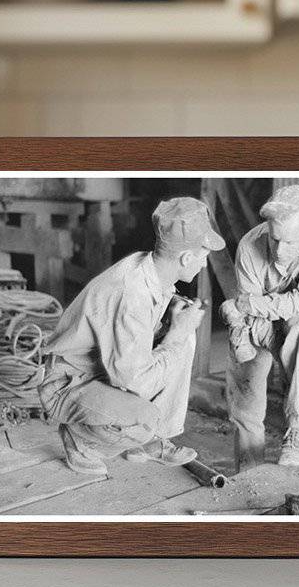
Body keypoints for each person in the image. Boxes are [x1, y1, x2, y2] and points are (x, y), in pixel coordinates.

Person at [39, 197, 225, 475]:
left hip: (100, 370)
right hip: (69, 383)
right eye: (204, 254)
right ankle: (80, 438)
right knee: (144, 419)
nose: (203, 263)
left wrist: (174, 325)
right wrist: (173, 335)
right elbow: (137, 381)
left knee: (185, 338)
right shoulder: (131, 293)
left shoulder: (152, 270)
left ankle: (151, 443)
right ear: (186, 257)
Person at [221, 185, 299, 468]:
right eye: (274, 240)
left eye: (289, 243)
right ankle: (249, 469)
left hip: (288, 318)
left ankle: (298, 431)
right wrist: (241, 329)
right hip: (256, 325)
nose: (279, 250)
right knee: (246, 395)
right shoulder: (250, 246)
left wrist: (249, 304)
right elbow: (247, 316)